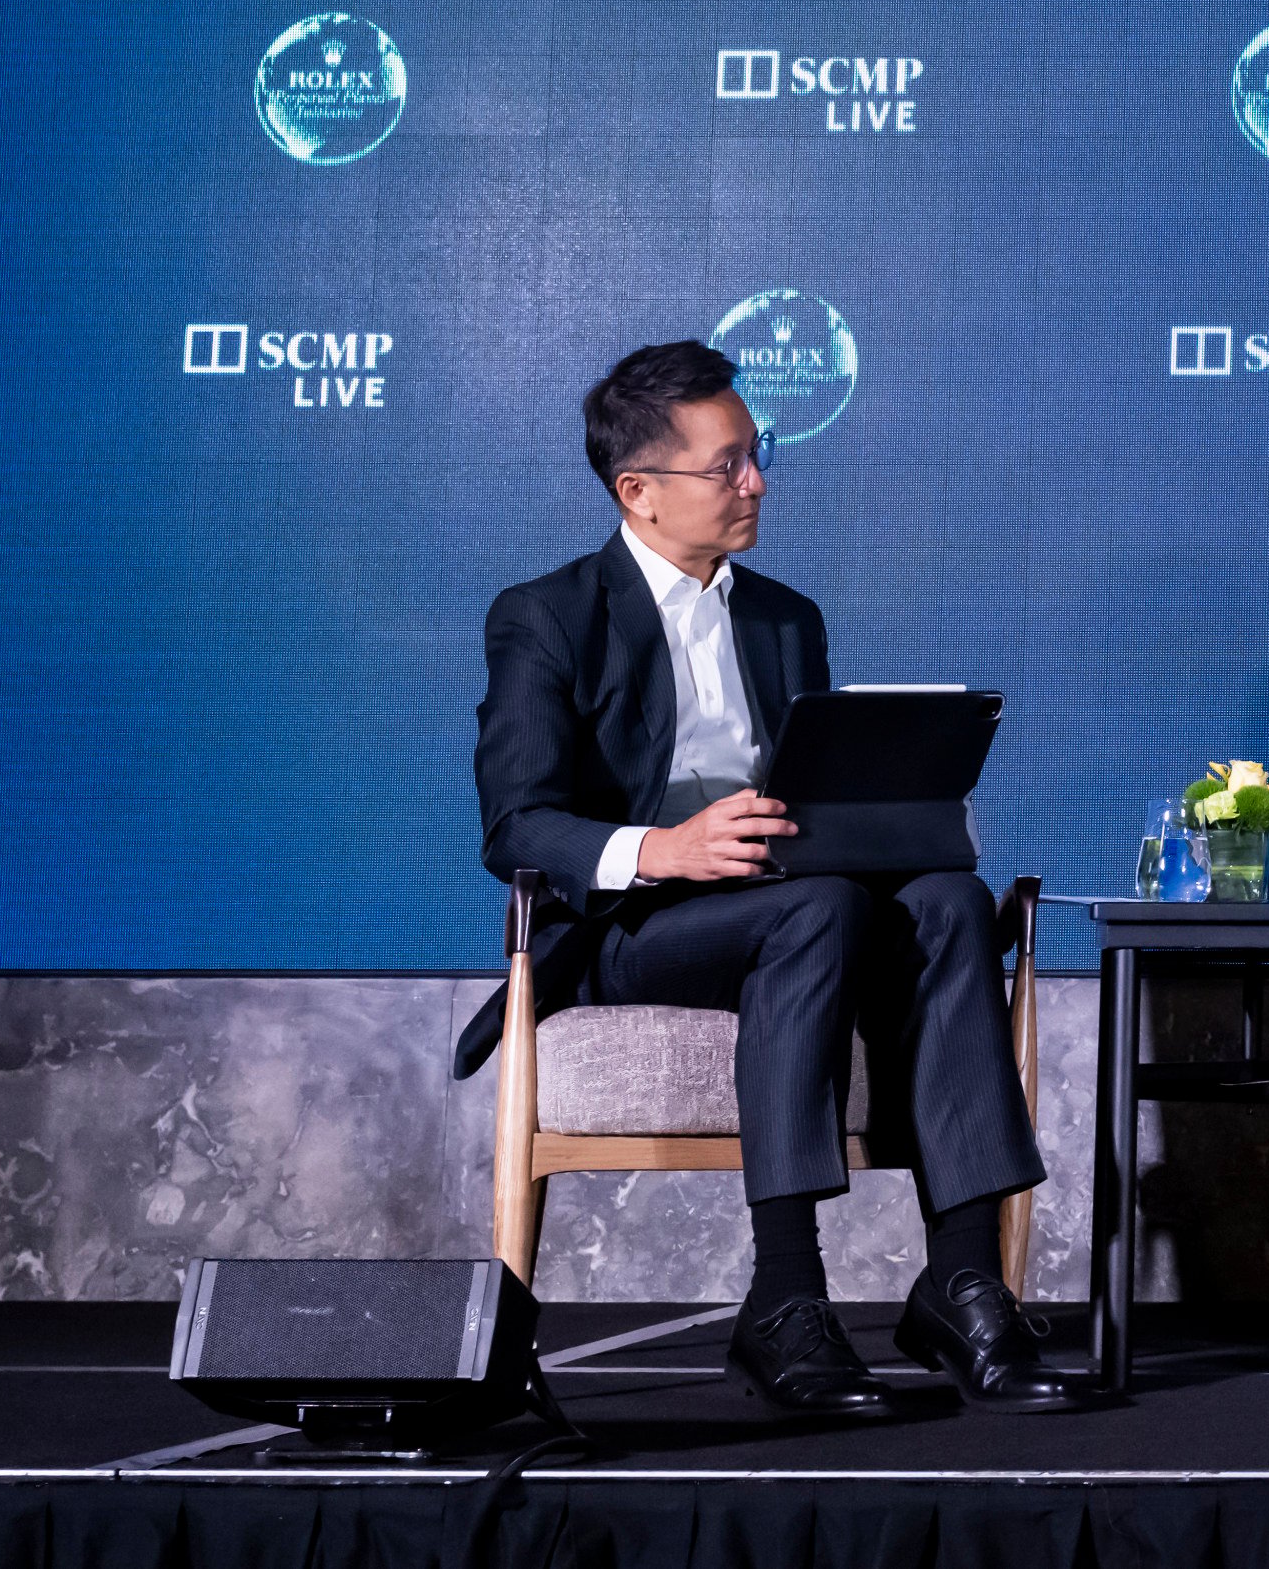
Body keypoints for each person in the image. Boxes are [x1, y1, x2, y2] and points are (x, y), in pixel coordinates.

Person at [460, 341, 1095, 1416]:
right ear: (640, 491)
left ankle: (962, 1276)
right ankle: (786, 1297)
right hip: (636, 928)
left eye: (760, 457)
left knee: (943, 902)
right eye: (729, 466)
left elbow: (806, 797)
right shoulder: (549, 615)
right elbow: (517, 824)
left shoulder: (784, 618)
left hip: (797, 906)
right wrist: (665, 849)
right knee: (820, 907)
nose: (756, 483)